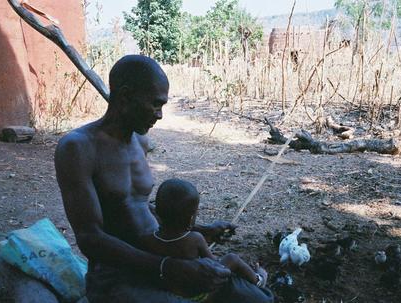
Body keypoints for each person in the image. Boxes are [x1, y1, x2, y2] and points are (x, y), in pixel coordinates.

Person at [54, 55, 273, 302]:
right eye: (155, 104)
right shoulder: (78, 148)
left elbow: (133, 207)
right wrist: (167, 266)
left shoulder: (140, 142)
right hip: (118, 278)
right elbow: (90, 238)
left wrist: (195, 231)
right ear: (125, 96)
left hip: (163, 261)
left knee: (258, 299)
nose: (159, 115)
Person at [141, 178, 268, 302]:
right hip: (199, 296)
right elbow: (214, 267)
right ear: (191, 218)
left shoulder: (149, 238)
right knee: (232, 258)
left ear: (156, 210)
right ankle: (258, 279)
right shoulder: (195, 238)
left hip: (171, 293)